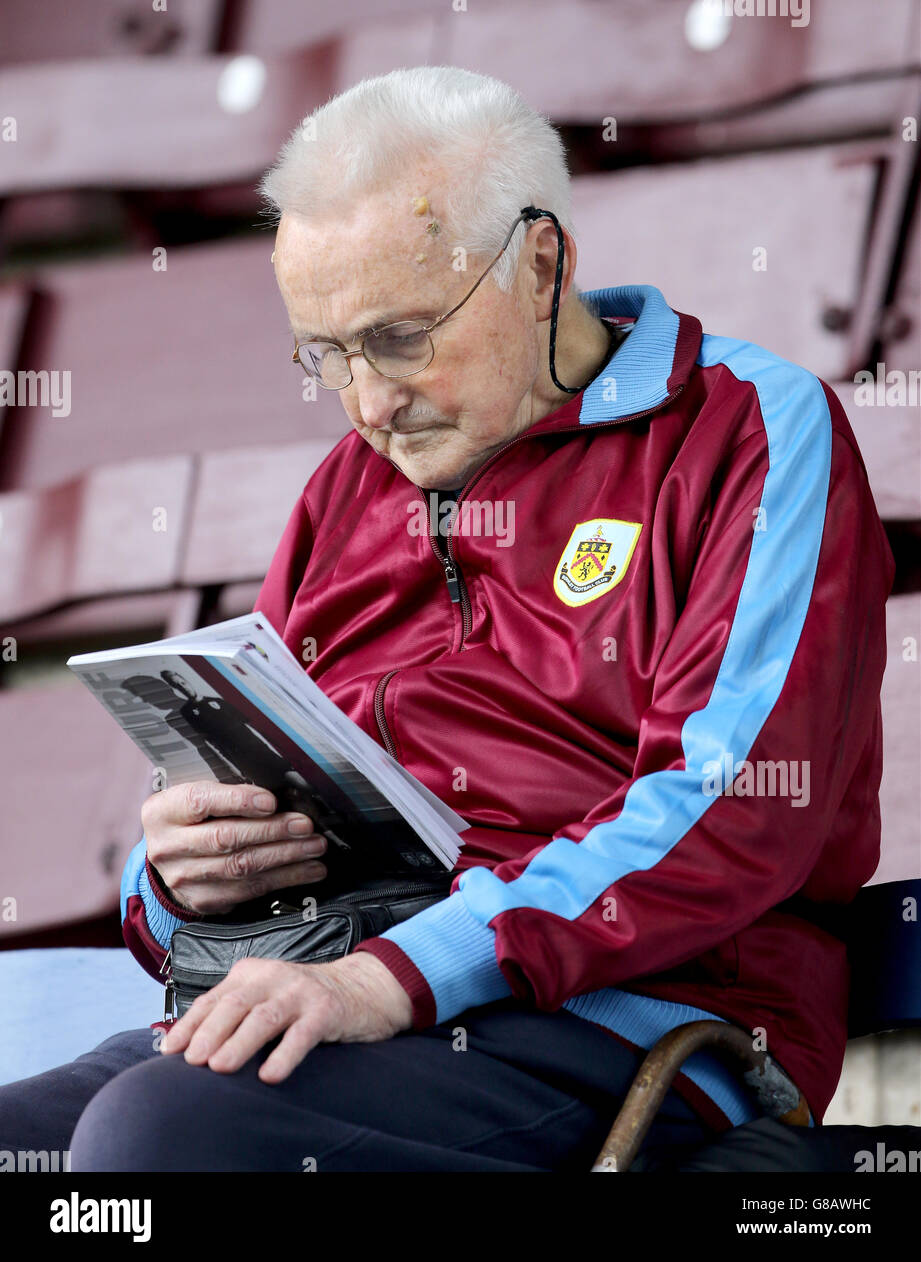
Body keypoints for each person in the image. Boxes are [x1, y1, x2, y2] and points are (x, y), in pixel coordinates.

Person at [0, 66, 895, 1172]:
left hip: (630, 1015)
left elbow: (735, 808)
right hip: (332, 992)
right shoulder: (347, 486)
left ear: (539, 265)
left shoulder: (749, 428)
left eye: (400, 336)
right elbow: (250, 814)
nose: (369, 404)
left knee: (161, 1142)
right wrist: (177, 878)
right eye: (328, 355)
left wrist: (398, 974)